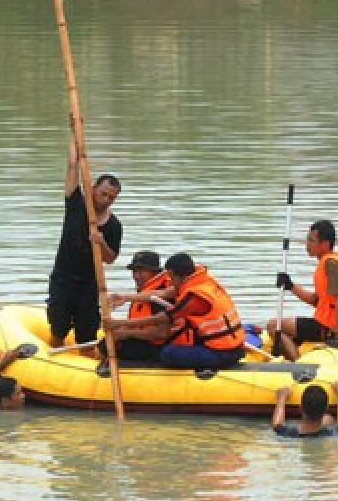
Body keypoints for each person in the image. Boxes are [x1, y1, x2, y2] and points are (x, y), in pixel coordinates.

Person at [47, 141, 122, 347]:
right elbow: (73, 166)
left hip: (88, 285)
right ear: (93, 188)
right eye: (103, 193)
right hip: (63, 280)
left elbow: (111, 259)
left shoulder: (114, 225)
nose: (106, 200)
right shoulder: (76, 204)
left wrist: (101, 242)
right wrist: (74, 133)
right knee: (58, 330)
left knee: (87, 337)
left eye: (111, 198)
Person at [117, 252, 247, 369]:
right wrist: (125, 297)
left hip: (222, 352)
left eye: (172, 278)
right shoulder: (202, 282)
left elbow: (163, 318)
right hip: (234, 346)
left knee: (168, 353)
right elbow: (163, 293)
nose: (170, 282)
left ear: (181, 277)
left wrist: (121, 326)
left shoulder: (194, 298)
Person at [267, 219, 338, 360]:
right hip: (335, 325)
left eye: (311, 240)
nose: (307, 244)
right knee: (288, 326)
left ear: (324, 244)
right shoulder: (335, 261)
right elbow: (316, 300)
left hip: (330, 329)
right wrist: (290, 285)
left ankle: (297, 364)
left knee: (273, 325)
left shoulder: (331, 265)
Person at [96, 250, 181, 374]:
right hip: (148, 342)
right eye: (134, 271)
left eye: (141, 271)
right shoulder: (146, 292)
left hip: (160, 348)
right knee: (106, 343)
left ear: (155, 272)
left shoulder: (160, 297)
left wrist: (127, 334)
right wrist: (121, 327)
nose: (136, 275)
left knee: (107, 347)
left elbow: (162, 333)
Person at [271, 381, 338, 437]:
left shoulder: (287, 433)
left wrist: (281, 398)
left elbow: (276, 424)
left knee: (328, 420)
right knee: (329, 419)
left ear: (300, 408)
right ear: (326, 409)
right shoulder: (332, 433)